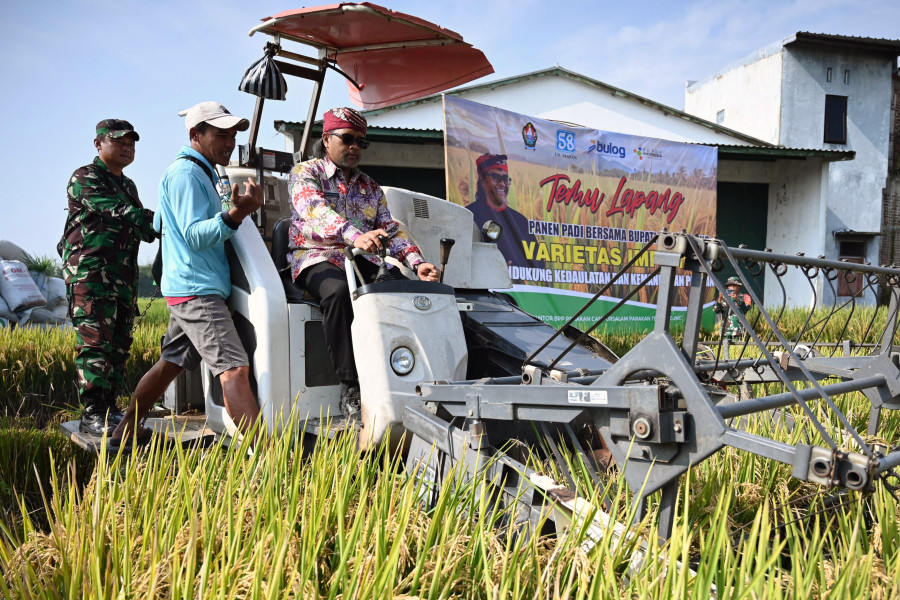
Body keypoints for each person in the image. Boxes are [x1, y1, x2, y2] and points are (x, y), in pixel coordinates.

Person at [111, 102, 262, 445]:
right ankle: (269, 458)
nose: (230, 142)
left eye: (233, 134)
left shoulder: (204, 171)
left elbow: (165, 224)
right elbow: (194, 236)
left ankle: (124, 432)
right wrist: (235, 215)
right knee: (234, 369)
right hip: (198, 290)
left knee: (170, 364)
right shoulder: (186, 174)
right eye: (221, 134)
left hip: (189, 285)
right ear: (196, 134)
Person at [287, 107, 440, 418]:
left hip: (363, 259)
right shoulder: (305, 173)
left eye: (361, 142)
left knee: (406, 293)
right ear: (327, 138)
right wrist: (353, 235)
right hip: (316, 257)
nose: (355, 147)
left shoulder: (369, 186)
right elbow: (314, 210)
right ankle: (351, 386)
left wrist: (416, 261)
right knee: (339, 292)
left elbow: (390, 229)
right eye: (348, 139)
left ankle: (412, 374)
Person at [62, 119, 157, 436]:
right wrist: (157, 220)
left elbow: (144, 230)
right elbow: (116, 210)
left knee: (119, 345)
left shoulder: (128, 186)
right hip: (91, 275)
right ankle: (93, 412)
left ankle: (110, 409)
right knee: (95, 343)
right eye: (118, 141)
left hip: (122, 278)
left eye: (131, 142)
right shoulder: (85, 177)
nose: (127, 146)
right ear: (98, 144)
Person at [465, 153, 539, 270]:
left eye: (505, 178)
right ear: (483, 181)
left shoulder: (521, 222)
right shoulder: (468, 216)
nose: (502, 183)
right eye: (495, 178)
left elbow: (538, 264)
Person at [713, 276, 752, 342]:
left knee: (738, 350)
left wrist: (738, 300)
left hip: (738, 330)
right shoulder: (724, 298)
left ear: (739, 286)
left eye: (734, 285)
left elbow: (747, 308)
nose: (732, 287)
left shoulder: (745, 297)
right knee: (725, 350)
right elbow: (716, 311)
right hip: (725, 330)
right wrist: (719, 300)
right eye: (730, 285)